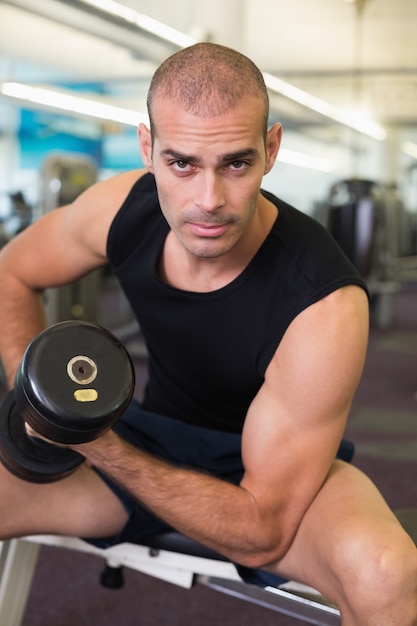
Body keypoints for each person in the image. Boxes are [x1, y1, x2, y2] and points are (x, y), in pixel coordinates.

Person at [0, 42, 415, 625]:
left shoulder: (323, 301)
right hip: (143, 439)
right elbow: (11, 272)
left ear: (271, 149)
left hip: (272, 478)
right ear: (148, 149)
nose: (208, 201)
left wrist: (100, 447)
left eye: (236, 163)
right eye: (182, 163)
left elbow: (264, 529)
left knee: (386, 575)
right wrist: (40, 395)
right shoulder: (122, 209)